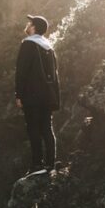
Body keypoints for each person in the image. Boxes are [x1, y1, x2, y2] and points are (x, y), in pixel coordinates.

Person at [14, 14, 61, 178]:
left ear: (33, 27)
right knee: (47, 128)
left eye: (29, 22)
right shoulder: (49, 47)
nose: (27, 24)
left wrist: (19, 94)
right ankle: (50, 164)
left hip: (32, 95)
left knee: (33, 128)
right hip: (48, 96)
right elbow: (55, 75)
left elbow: (21, 71)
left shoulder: (28, 44)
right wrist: (56, 98)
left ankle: (37, 165)